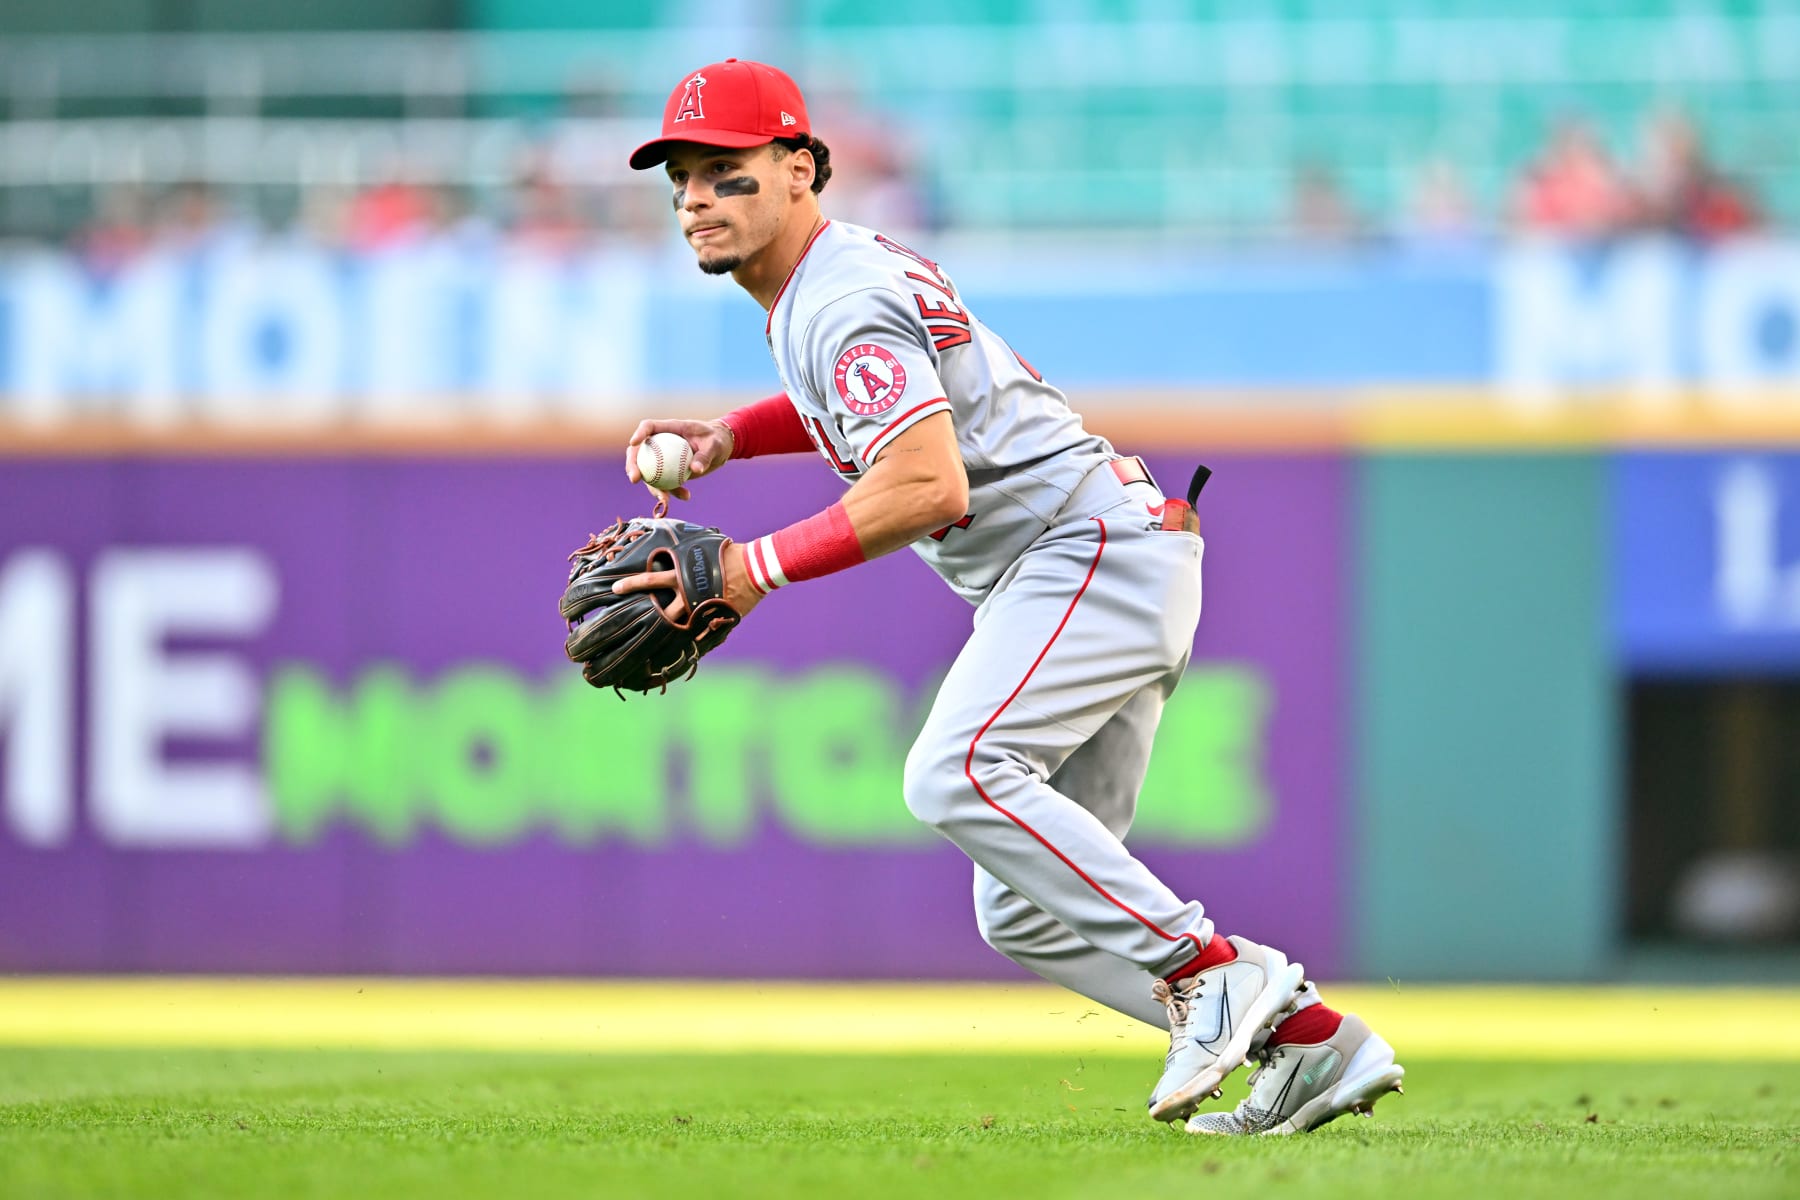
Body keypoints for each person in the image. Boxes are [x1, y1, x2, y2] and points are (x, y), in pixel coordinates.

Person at [613, 59, 1404, 1135]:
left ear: (800, 169)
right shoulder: (824, 287)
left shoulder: (837, 300)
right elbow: (852, 400)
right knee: (1022, 910)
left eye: (728, 172)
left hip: (1082, 554)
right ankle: (1312, 1043)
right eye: (682, 178)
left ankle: (1208, 972)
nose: (697, 197)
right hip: (1107, 556)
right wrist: (726, 439)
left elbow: (926, 482)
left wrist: (754, 568)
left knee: (956, 775)